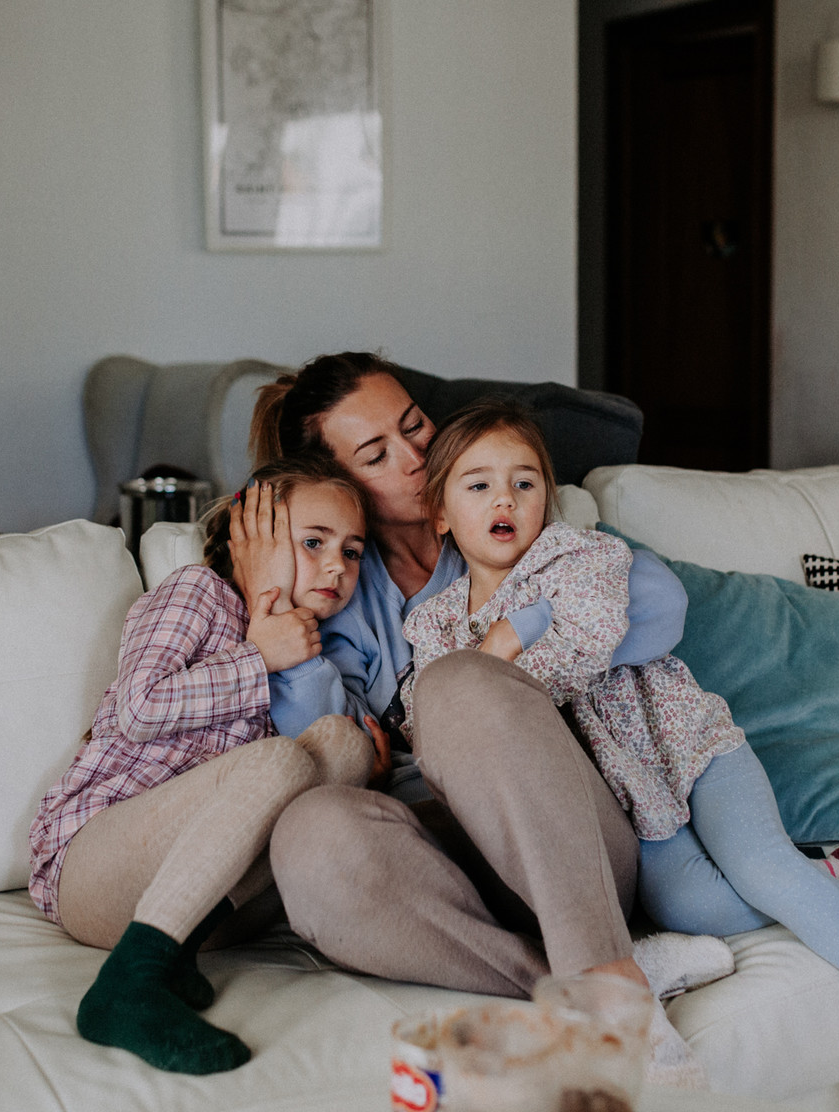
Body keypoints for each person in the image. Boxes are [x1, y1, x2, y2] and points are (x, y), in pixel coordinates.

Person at [403, 399, 839, 1111]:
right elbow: (446, 723)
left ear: (547, 498)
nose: (505, 498)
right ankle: (836, 871)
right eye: (477, 484)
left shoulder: (577, 553)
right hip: (626, 799)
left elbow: (584, 644)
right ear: (442, 512)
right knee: (701, 907)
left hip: (687, 745)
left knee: (760, 862)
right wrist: (501, 652)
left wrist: (507, 645)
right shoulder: (434, 621)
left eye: (524, 481)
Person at [241, 352, 717, 1085]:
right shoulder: (339, 588)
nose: (415, 456)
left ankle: (600, 966)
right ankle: (599, 978)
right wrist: (283, 618)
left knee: (459, 683)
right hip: (445, 875)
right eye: (376, 454)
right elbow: (328, 753)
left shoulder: (501, 504)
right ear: (342, 485)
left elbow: (658, 604)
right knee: (308, 837)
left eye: (415, 427)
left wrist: (505, 672)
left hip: (571, 837)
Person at [27, 456, 377, 1075]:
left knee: (342, 745)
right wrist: (255, 657)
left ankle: (174, 950)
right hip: (93, 868)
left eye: (352, 551)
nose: (337, 565)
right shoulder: (198, 594)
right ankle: (126, 988)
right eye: (314, 541)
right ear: (257, 533)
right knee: (275, 760)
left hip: (211, 908)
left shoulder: (310, 643)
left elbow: (324, 765)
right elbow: (138, 709)